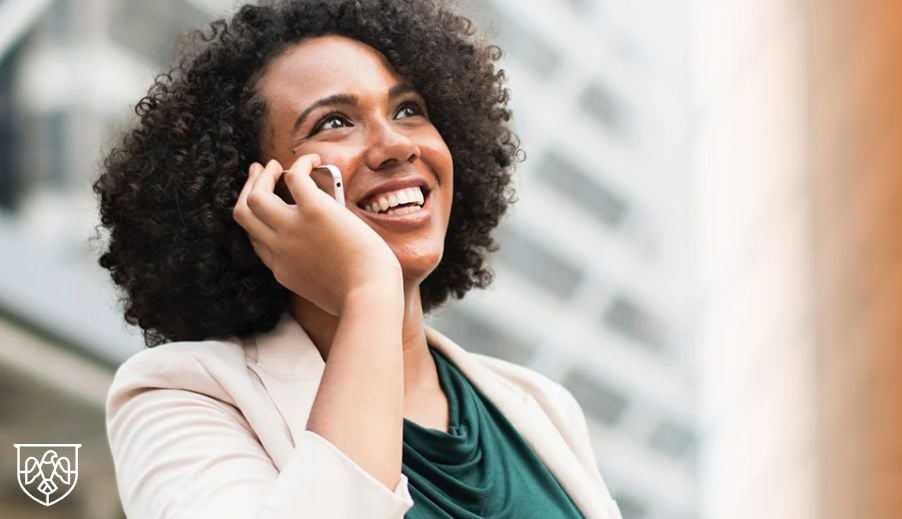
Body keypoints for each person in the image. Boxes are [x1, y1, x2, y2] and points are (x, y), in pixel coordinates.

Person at [94, 0, 621, 517]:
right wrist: (369, 289)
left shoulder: (540, 406)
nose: (395, 145)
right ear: (257, 193)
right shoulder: (181, 396)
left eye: (409, 110)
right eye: (334, 123)